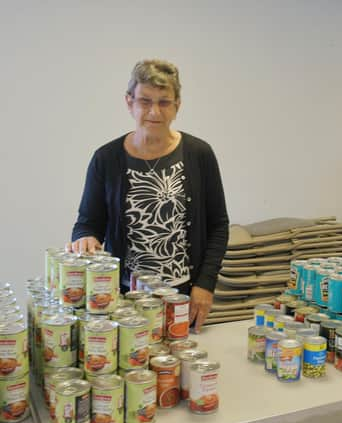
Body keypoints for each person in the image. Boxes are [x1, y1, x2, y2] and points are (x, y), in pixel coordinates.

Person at [70, 59, 229, 333]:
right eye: (145, 101)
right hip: (124, 297)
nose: (154, 111)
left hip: (183, 295)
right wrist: (84, 238)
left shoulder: (199, 154)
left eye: (164, 102)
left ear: (177, 105)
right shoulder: (106, 159)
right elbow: (87, 223)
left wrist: (205, 284)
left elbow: (218, 225)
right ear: (129, 102)